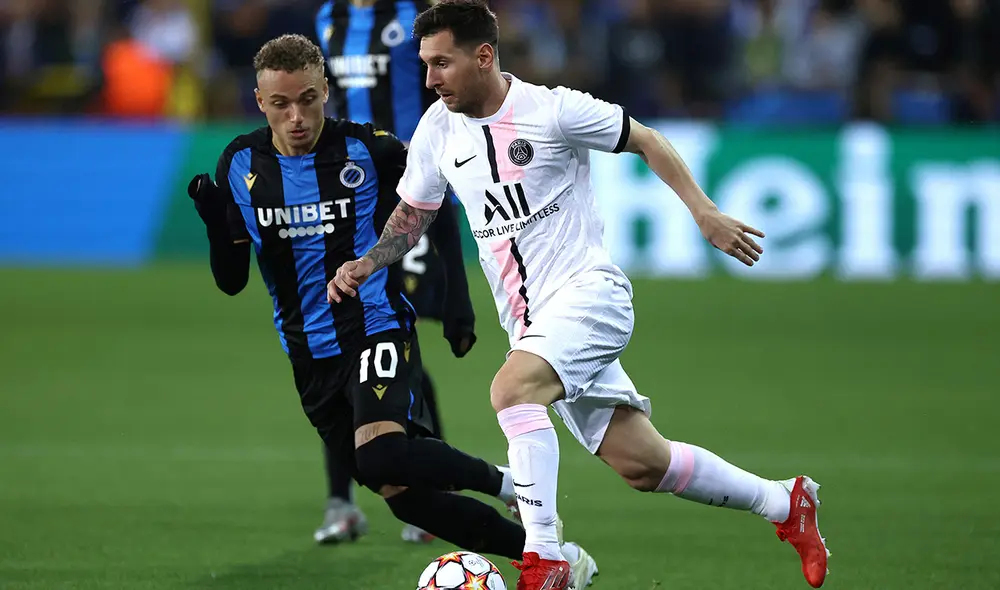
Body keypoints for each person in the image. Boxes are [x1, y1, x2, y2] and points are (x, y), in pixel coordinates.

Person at [326, 2, 831, 589]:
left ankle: (545, 558)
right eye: (426, 65)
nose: (430, 78)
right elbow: (414, 214)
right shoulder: (437, 130)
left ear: (484, 56)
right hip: (533, 326)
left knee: (512, 389)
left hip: (591, 296)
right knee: (642, 463)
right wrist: (368, 262)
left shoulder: (554, 110)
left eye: (442, 63)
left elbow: (647, 140)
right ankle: (785, 502)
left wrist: (705, 212)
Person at [186, 34, 597, 582]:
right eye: (281, 104)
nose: (297, 116)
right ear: (261, 103)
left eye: (308, 99)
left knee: (381, 456)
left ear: (326, 91)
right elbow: (232, 281)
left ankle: (506, 483)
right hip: (308, 352)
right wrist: (217, 223)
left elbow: (438, 207)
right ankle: (549, 558)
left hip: (375, 325)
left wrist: (456, 303)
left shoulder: (369, 149)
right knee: (401, 496)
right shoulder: (240, 163)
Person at [312, 0, 475, 546]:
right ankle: (344, 502)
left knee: (388, 341)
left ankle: (430, 492)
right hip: (343, 196)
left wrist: (458, 293)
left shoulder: (414, 16)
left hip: (406, 191)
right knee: (342, 345)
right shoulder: (328, 18)